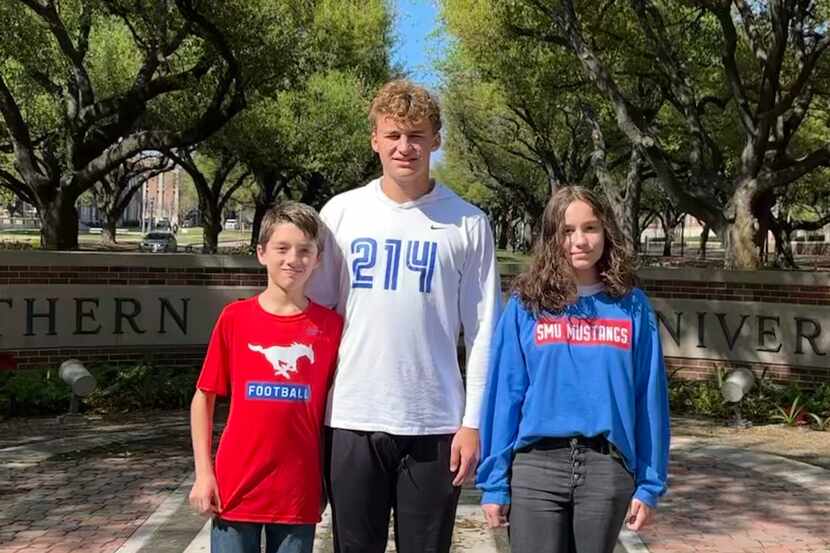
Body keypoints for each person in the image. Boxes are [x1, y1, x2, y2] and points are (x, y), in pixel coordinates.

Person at [307, 79, 502, 553]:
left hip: (435, 423)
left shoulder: (468, 223)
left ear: (435, 140)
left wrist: (473, 422)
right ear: (374, 139)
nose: (405, 147)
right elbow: (317, 317)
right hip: (352, 416)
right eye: (393, 135)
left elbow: (483, 333)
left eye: (416, 135)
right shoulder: (341, 213)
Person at [476, 186, 670, 553]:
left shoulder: (632, 305)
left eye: (590, 228)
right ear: (552, 238)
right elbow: (505, 395)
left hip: (606, 469)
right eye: (567, 231)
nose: (580, 240)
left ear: (606, 232)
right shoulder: (526, 305)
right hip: (537, 469)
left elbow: (649, 398)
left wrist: (649, 483)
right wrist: (495, 482)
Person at [189, 201, 344, 553]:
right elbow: (204, 397)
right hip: (236, 487)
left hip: (298, 492)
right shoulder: (235, 319)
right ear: (261, 253)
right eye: (282, 248)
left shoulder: (331, 327)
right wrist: (203, 473)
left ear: (318, 259)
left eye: (305, 250)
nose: (293, 259)